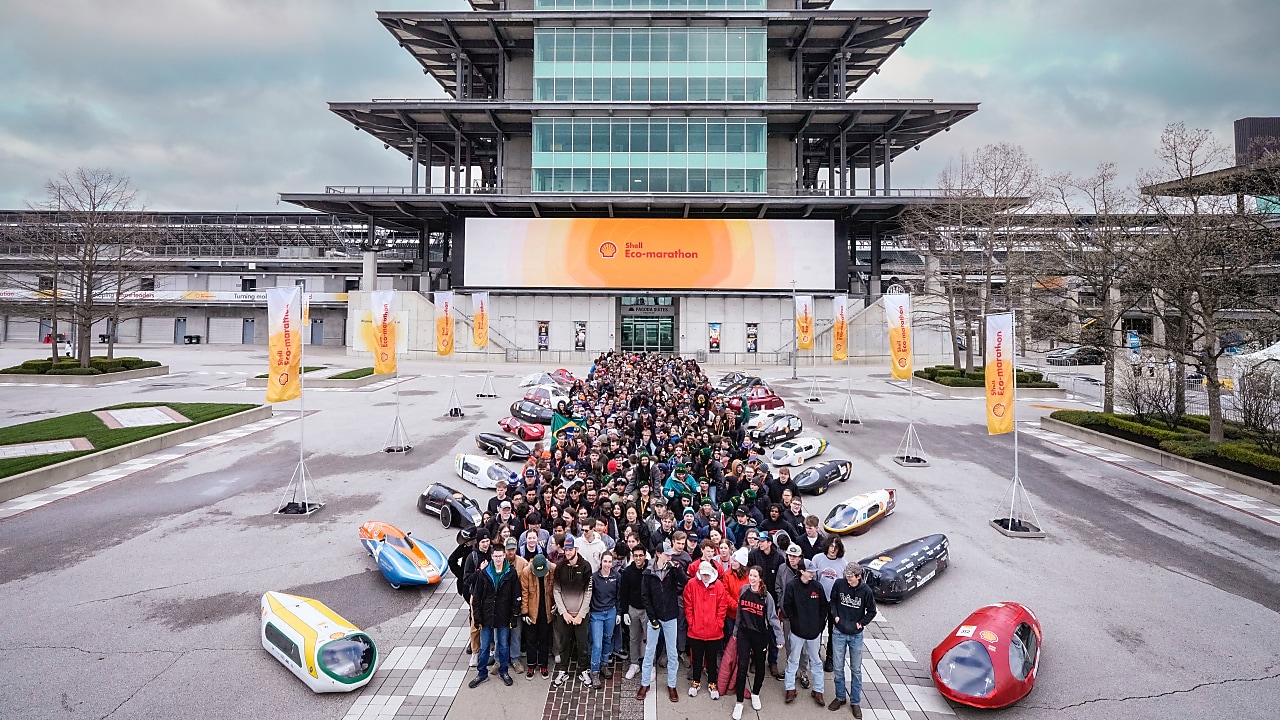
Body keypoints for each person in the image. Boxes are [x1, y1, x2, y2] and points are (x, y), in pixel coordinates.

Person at [731, 566, 784, 720]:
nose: (752, 578)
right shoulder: (744, 590)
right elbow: (739, 613)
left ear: (760, 578)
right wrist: (735, 631)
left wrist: (779, 638)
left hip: (760, 635)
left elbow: (773, 619)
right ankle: (739, 702)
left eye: (755, 576)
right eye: (750, 575)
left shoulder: (767, 597)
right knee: (742, 667)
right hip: (744, 633)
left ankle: (755, 694)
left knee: (760, 667)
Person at [638, 541, 688, 703]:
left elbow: (685, 582)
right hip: (655, 617)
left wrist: (678, 568)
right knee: (649, 651)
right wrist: (652, 618)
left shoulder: (672, 570)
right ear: (658, 554)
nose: (670, 557)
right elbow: (645, 597)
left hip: (671, 616)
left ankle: (671, 685)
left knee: (672, 653)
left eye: (670, 555)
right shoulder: (648, 573)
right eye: (667, 554)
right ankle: (645, 683)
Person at [467, 544, 520, 689]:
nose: (498, 559)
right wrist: (477, 618)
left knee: (503, 646)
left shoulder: (511, 573)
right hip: (487, 616)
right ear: (492, 556)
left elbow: (516, 596)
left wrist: (513, 616)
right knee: (484, 647)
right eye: (495, 556)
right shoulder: (484, 574)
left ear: (504, 556)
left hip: (503, 616)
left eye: (500, 556)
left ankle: (504, 671)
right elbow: (477, 598)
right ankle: (482, 673)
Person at [828, 562, 876, 719]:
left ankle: (855, 702)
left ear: (858, 576)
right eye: (846, 577)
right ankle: (840, 697)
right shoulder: (839, 584)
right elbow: (833, 601)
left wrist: (861, 623)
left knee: (856, 670)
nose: (848, 580)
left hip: (856, 635)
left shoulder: (866, 591)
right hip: (839, 632)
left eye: (851, 577)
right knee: (838, 668)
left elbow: (872, 611)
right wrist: (836, 616)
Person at [782, 559, 829, 706]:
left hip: (814, 633)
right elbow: (787, 606)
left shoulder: (817, 587)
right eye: (810, 571)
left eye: (813, 571)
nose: (813, 574)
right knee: (793, 660)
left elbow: (824, 608)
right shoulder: (792, 586)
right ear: (802, 571)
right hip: (797, 632)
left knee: (816, 661)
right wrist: (795, 623)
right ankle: (790, 688)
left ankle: (818, 690)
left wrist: (819, 626)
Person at [683, 559, 729, 699]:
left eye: (708, 574)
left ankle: (712, 683)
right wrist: (691, 622)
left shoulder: (718, 585)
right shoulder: (691, 584)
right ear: (699, 573)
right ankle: (696, 681)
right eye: (703, 574)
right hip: (696, 631)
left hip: (713, 632)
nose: (706, 577)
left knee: (711, 658)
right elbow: (688, 605)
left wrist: (718, 623)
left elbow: (722, 606)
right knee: (696, 658)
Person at [552, 535, 593, 686]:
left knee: (582, 644)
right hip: (564, 615)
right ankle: (563, 670)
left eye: (570, 549)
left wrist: (581, 614)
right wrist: (564, 612)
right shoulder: (559, 567)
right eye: (566, 549)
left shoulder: (586, 566)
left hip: (581, 615)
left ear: (576, 549)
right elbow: (556, 591)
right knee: (564, 643)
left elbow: (588, 592)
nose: (567, 552)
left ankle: (583, 670)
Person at [747, 531, 784, 679]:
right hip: (756, 599)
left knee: (773, 631)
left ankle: (773, 661)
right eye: (759, 541)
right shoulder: (753, 555)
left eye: (762, 541)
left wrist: (779, 601)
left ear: (769, 542)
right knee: (757, 631)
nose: (760, 543)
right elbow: (749, 576)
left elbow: (780, 580)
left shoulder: (779, 558)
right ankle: (755, 660)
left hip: (772, 600)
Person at [586, 552, 622, 687]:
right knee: (597, 644)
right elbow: (589, 595)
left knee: (607, 639)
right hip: (597, 614)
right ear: (601, 562)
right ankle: (594, 671)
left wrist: (618, 613)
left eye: (609, 562)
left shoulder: (616, 576)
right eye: (605, 561)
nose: (607, 564)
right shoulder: (594, 577)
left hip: (611, 613)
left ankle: (604, 664)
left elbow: (619, 596)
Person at [811, 536, 845, 673]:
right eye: (831, 546)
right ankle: (815, 654)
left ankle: (830, 658)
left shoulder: (843, 564)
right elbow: (813, 579)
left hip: (834, 603)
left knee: (833, 631)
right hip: (819, 601)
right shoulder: (817, 559)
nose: (833, 550)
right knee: (817, 629)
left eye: (836, 547)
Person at [519, 553, 556, 679]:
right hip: (531, 611)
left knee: (544, 639)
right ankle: (531, 665)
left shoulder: (552, 569)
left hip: (546, 610)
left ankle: (543, 665)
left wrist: (555, 605)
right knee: (531, 640)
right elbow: (524, 593)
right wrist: (524, 612)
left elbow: (555, 589)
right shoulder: (526, 572)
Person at [620, 544, 650, 680]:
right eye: (635, 556)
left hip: (647, 610)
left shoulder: (650, 570)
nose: (638, 558)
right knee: (633, 638)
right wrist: (624, 612)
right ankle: (634, 663)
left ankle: (650, 665)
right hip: (633, 609)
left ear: (645, 556)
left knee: (649, 638)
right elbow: (624, 593)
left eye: (640, 555)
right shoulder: (627, 572)